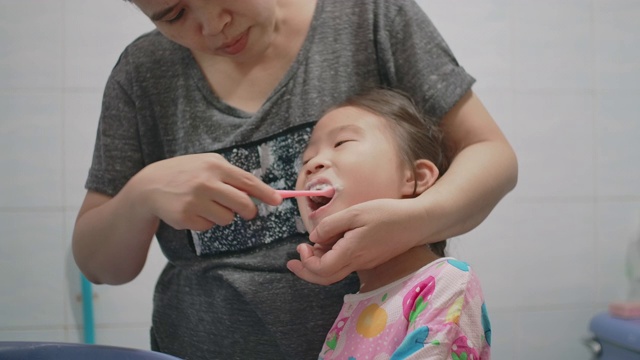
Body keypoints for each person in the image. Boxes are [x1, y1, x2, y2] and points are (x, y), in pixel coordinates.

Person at [72, 0, 516, 359]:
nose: (213, 25)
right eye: (173, 14)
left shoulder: (370, 14)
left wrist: (414, 220)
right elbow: (97, 264)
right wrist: (143, 193)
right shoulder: (142, 72)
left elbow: (493, 155)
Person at [295, 88, 491, 359]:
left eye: (342, 143)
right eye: (305, 160)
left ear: (415, 176)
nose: (312, 164)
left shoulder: (445, 283)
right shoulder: (356, 303)